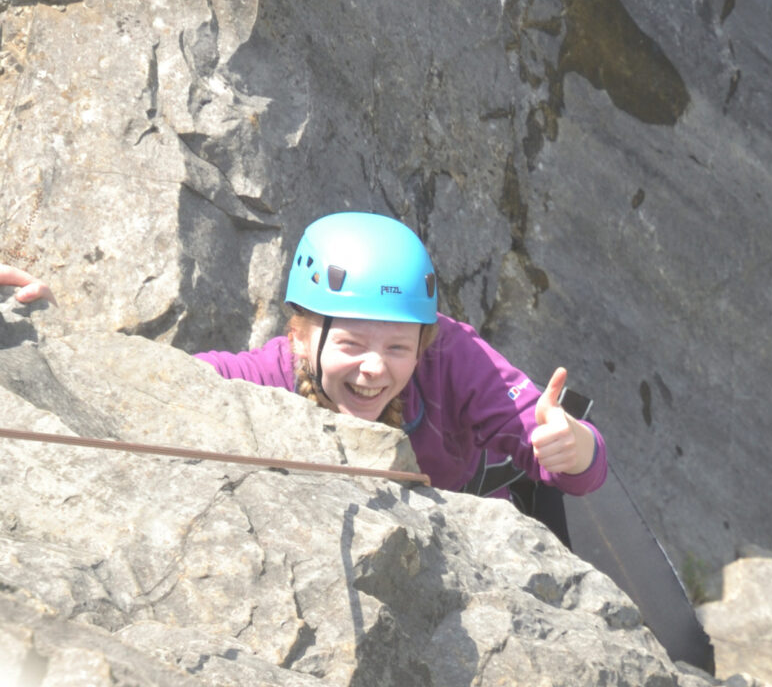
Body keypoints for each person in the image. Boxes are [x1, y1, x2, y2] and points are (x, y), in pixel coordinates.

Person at [194, 212, 608, 533]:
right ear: (301, 338)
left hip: (462, 536)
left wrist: (575, 447)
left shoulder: (453, 358)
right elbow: (182, 380)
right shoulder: (272, 374)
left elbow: (564, 457)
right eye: (351, 345)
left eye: (397, 348)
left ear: (422, 345)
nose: (373, 368)